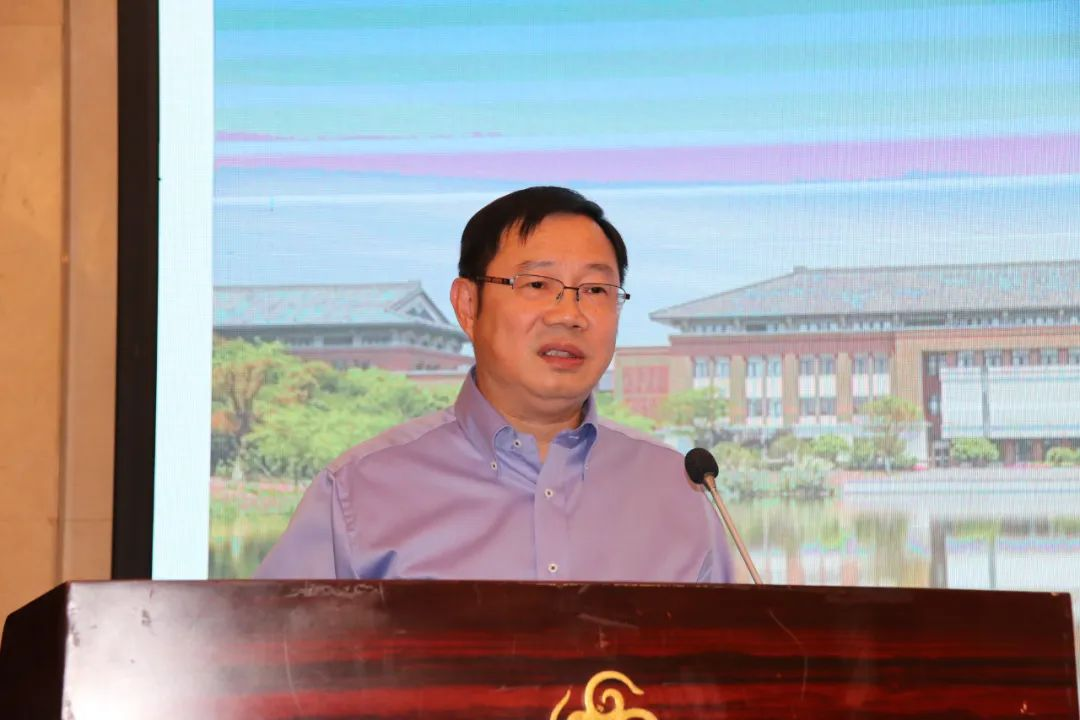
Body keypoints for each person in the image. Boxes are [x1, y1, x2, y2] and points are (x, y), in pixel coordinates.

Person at [255, 186, 732, 582]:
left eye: (595, 290)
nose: (569, 314)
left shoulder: (682, 492)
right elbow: (273, 656)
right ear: (468, 306)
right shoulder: (357, 491)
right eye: (537, 285)